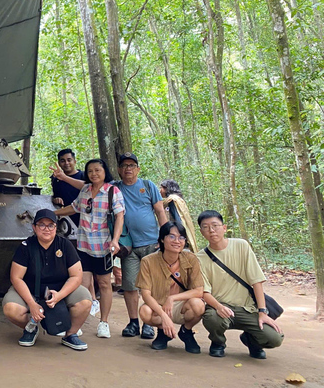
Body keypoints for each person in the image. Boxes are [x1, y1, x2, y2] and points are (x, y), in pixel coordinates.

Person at [196, 210, 283, 359]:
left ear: (224, 228)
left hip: (248, 308)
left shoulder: (241, 246)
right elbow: (204, 291)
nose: (211, 230)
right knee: (212, 318)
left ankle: (251, 340)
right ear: (201, 232)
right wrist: (218, 306)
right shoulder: (200, 258)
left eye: (215, 225)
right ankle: (218, 342)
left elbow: (256, 280)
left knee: (274, 338)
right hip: (220, 307)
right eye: (206, 227)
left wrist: (262, 311)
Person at [53, 159, 124, 339]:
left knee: (104, 283)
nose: (94, 174)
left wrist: (115, 240)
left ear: (104, 171)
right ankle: (79, 322)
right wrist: (51, 214)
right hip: (83, 245)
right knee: (81, 284)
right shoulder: (85, 190)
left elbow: (120, 217)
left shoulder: (112, 191)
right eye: (90, 171)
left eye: (97, 170)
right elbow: (74, 208)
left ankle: (104, 322)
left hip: (104, 246)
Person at [2, 209, 91, 350]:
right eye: (41, 225)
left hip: (60, 289)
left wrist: (60, 295)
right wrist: (32, 304)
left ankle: (70, 334)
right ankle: (31, 327)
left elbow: (76, 275)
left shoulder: (65, 245)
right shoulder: (26, 247)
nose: (46, 229)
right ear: (34, 227)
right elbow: (16, 277)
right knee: (10, 308)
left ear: (56, 227)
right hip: (30, 290)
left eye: (51, 225)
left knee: (85, 300)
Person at [114, 152, 168, 339]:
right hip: (128, 246)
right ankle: (133, 322)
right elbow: (91, 187)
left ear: (138, 169)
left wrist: (165, 237)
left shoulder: (148, 186)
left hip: (151, 244)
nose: (128, 169)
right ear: (119, 170)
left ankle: (149, 323)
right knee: (130, 286)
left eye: (131, 165)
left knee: (152, 287)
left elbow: (160, 212)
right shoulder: (114, 188)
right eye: (124, 166)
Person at [137, 221, 204, 353]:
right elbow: (146, 294)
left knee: (198, 305)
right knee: (145, 312)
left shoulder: (191, 259)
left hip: (182, 306)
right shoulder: (148, 261)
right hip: (158, 306)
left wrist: (172, 298)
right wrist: (163, 316)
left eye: (181, 237)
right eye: (172, 236)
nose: (177, 241)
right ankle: (162, 332)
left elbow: (199, 291)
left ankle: (186, 331)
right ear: (162, 239)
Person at [159, 179, 198, 252]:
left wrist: (178, 236)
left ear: (167, 188)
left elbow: (178, 219)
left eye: (161, 188)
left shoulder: (172, 200)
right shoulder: (176, 199)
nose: (159, 190)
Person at [51, 148, 84, 230]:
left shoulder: (84, 176)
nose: (66, 163)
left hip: (84, 218)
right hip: (66, 221)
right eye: (63, 161)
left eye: (69, 160)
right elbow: (56, 197)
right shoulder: (56, 180)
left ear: (75, 161)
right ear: (59, 163)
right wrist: (56, 199)